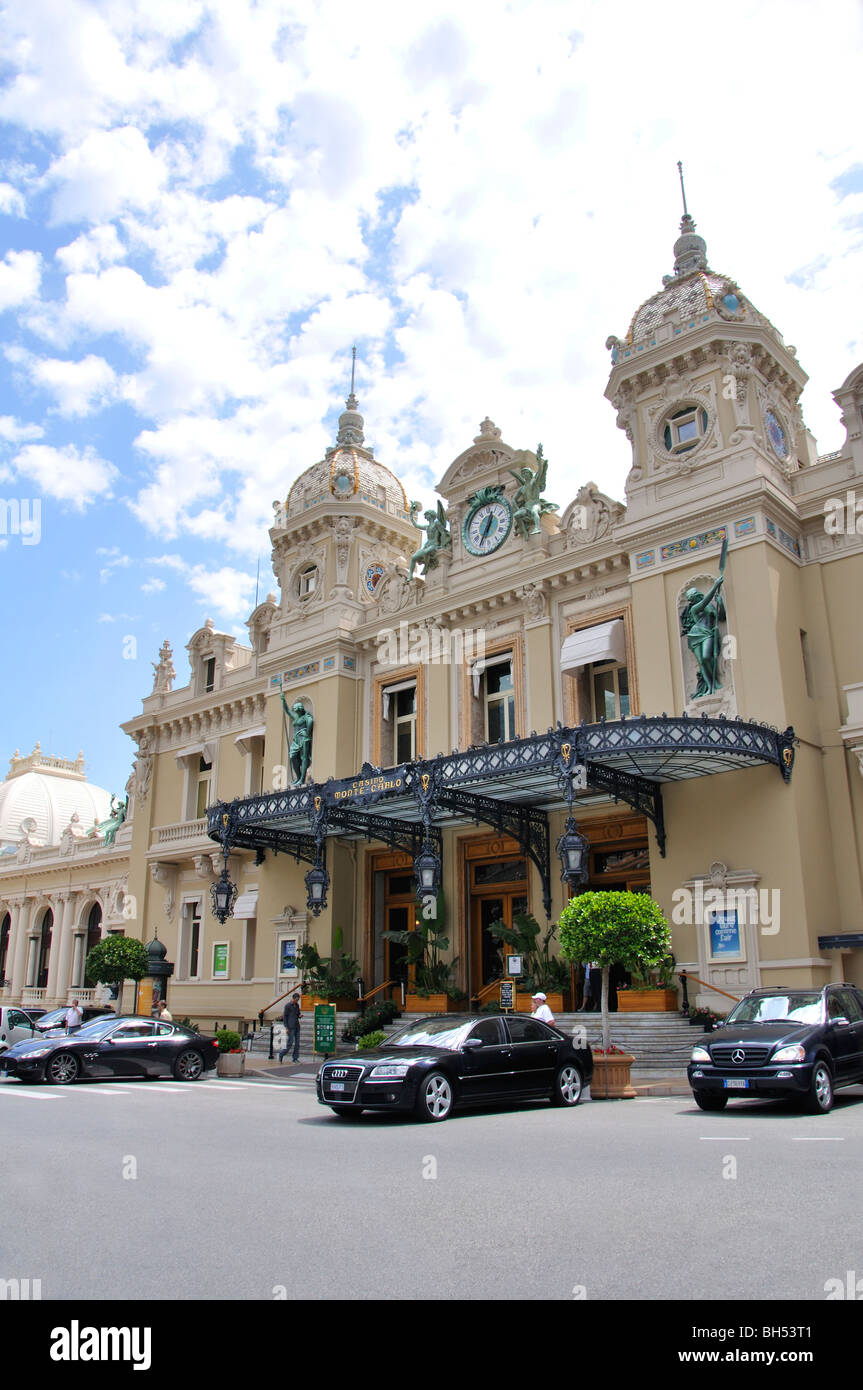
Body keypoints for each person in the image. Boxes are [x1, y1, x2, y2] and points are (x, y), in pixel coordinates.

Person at [279, 992, 301, 1064]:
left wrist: (299, 1016)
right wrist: (286, 1027)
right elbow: (285, 1016)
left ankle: (295, 1058)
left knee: (297, 1043)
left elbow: (297, 1014)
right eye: (296, 999)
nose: (297, 1001)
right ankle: (281, 1054)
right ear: (293, 998)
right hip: (290, 1026)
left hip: (297, 1025)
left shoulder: (297, 1005)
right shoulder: (288, 1006)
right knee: (290, 1043)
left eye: (298, 1000)